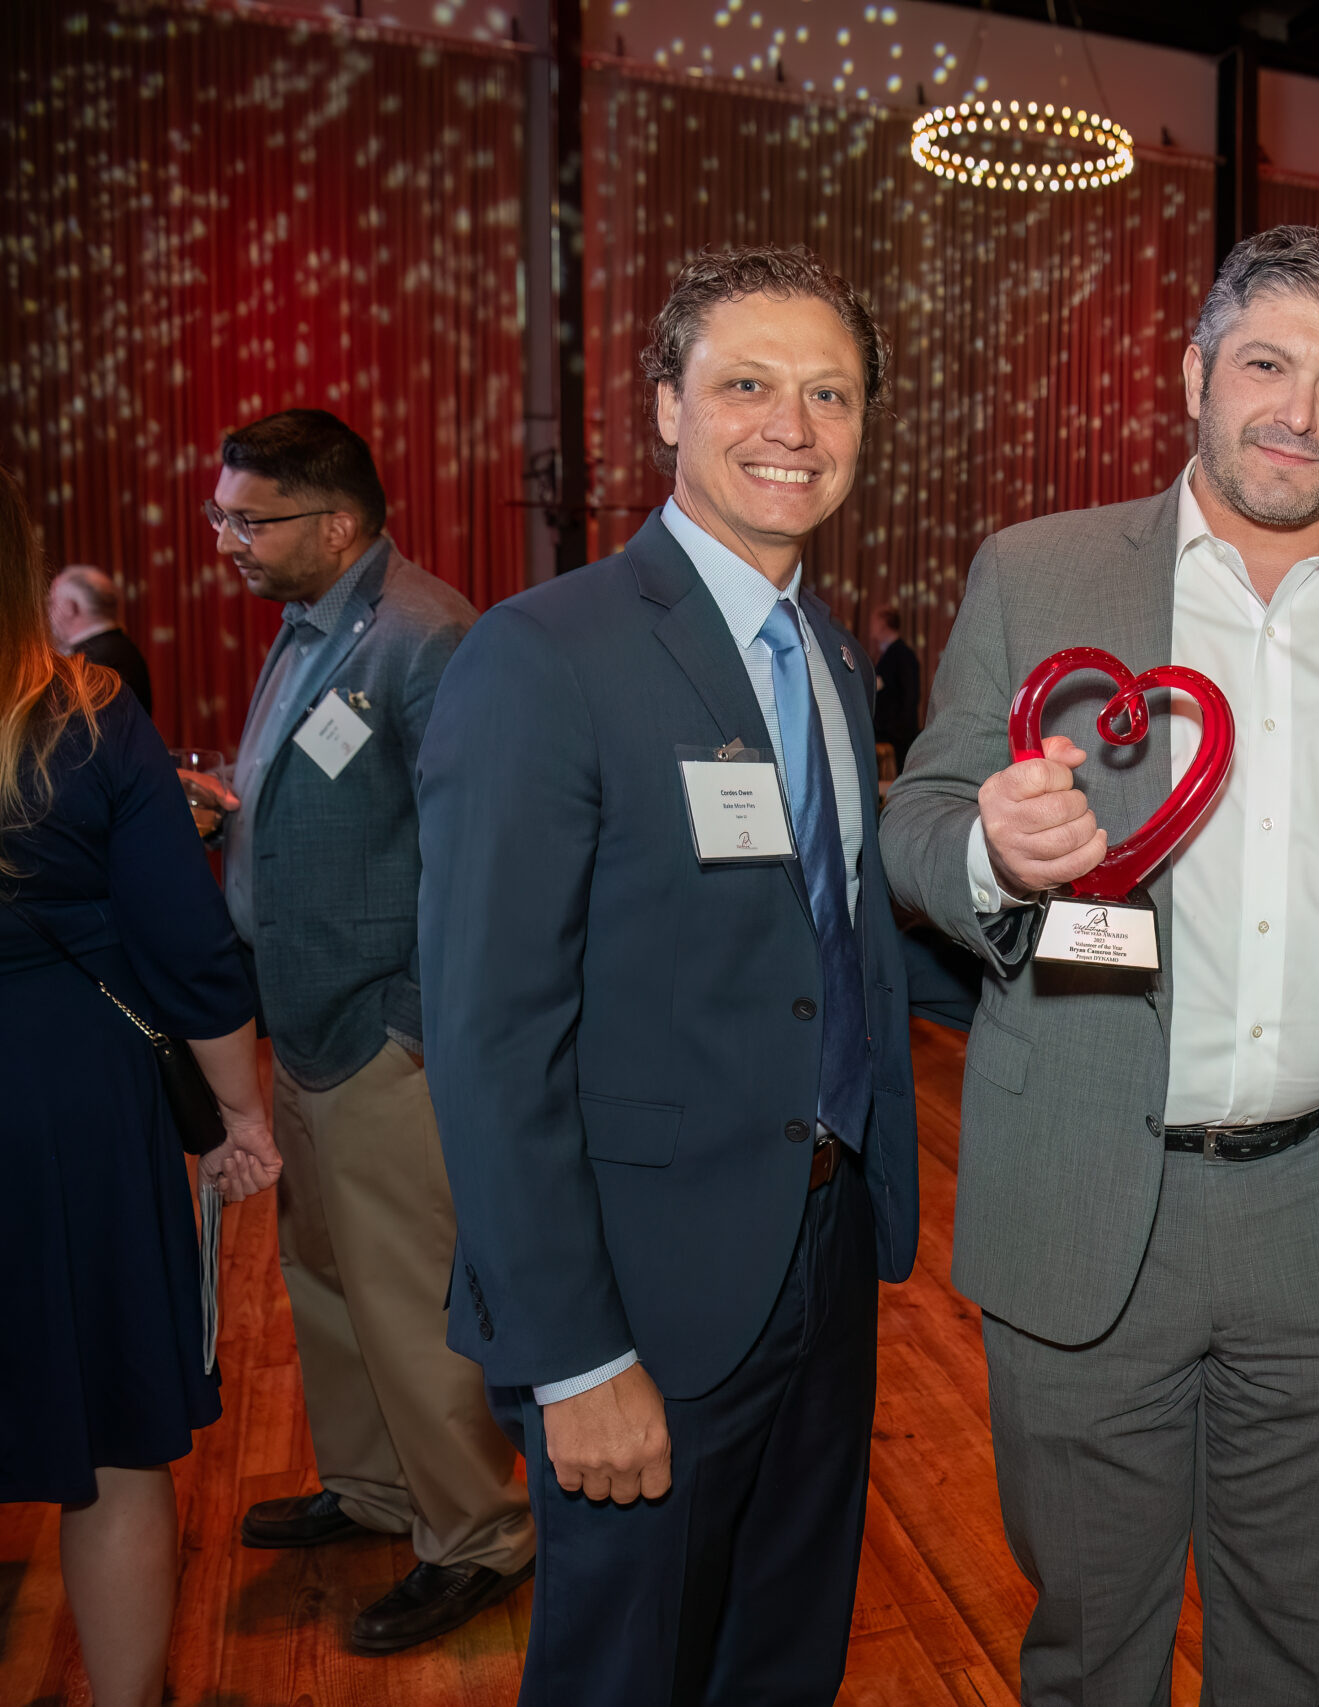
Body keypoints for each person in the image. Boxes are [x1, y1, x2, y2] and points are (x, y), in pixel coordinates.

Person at [882, 225, 1319, 1703]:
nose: (1298, 410)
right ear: (1192, 376)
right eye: (1266, 365)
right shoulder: (1040, 572)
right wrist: (995, 849)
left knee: (1292, 1641)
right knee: (1091, 1645)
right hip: (1091, 1186)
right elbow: (916, 821)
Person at [418, 244, 919, 1704]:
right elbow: (489, 1039)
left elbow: (827, 947)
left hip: (821, 1255)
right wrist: (572, 1358)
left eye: (830, 393)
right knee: (625, 1671)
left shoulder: (830, 656)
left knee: (782, 1656)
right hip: (637, 1295)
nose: (793, 427)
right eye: (747, 385)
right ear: (664, 409)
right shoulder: (543, 653)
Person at [187, 409, 532, 1653]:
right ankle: (378, 1489)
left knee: (408, 1299)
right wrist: (232, 811)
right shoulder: (309, 625)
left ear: (337, 525)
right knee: (327, 1280)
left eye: (250, 518)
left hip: (388, 1038)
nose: (226, 539)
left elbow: (478, 856)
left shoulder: (427, 637)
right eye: (224, 514)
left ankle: (477, 1535)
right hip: (305, 1023)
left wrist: (410, 1025)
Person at [0, 462, 281, 1707]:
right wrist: (240, 1115)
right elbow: (188, 946)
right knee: (114, 1447)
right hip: (71, 1106)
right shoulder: (89, 715)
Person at [47, 564, 153, 716]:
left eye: (52, 603)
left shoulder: (93, 660)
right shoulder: (119, 647)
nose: (49, 614)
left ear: (70, 607)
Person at [868, 604, 920, 770]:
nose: (871, 627)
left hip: (897, 739)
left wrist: (897, 730)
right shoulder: (887, 654)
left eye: (874, 622)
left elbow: (910, 696)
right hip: (889, 735)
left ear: (883, 624)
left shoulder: (902, 655)